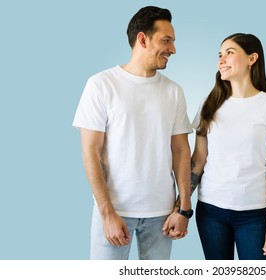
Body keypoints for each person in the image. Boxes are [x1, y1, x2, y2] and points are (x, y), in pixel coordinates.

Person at [72, 6, 193, 260]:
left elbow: (181, 152)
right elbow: (90, 152)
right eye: (166, 40)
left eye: (173, 42)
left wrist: (183, 209)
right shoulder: (101, 85)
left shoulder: (174, 92)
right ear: (142, 39)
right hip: (114, 211)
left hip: (162, 215)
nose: (173, 49)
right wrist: (106, 214)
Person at [166, 33, 266, 259]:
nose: (221, 60)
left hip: (254, 215)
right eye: (219, 55)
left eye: (229, 53)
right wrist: (181, 209)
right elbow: (198, 160)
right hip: (211, 211)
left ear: (252, 58)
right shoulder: (210, 103)